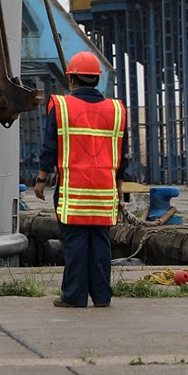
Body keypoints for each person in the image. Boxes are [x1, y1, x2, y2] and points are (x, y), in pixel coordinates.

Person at [44, 50, 124, 309]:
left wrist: (41, 177)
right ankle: (102, 296)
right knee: (100, 241)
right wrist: (119, 186)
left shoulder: (61, 106)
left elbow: (50, 145)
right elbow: (122, 152)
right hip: (104, 189)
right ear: (97, 80)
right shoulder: (116, 109)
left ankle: (74, 296)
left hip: (73, 190)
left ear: (72, 80)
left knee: (75, 242)